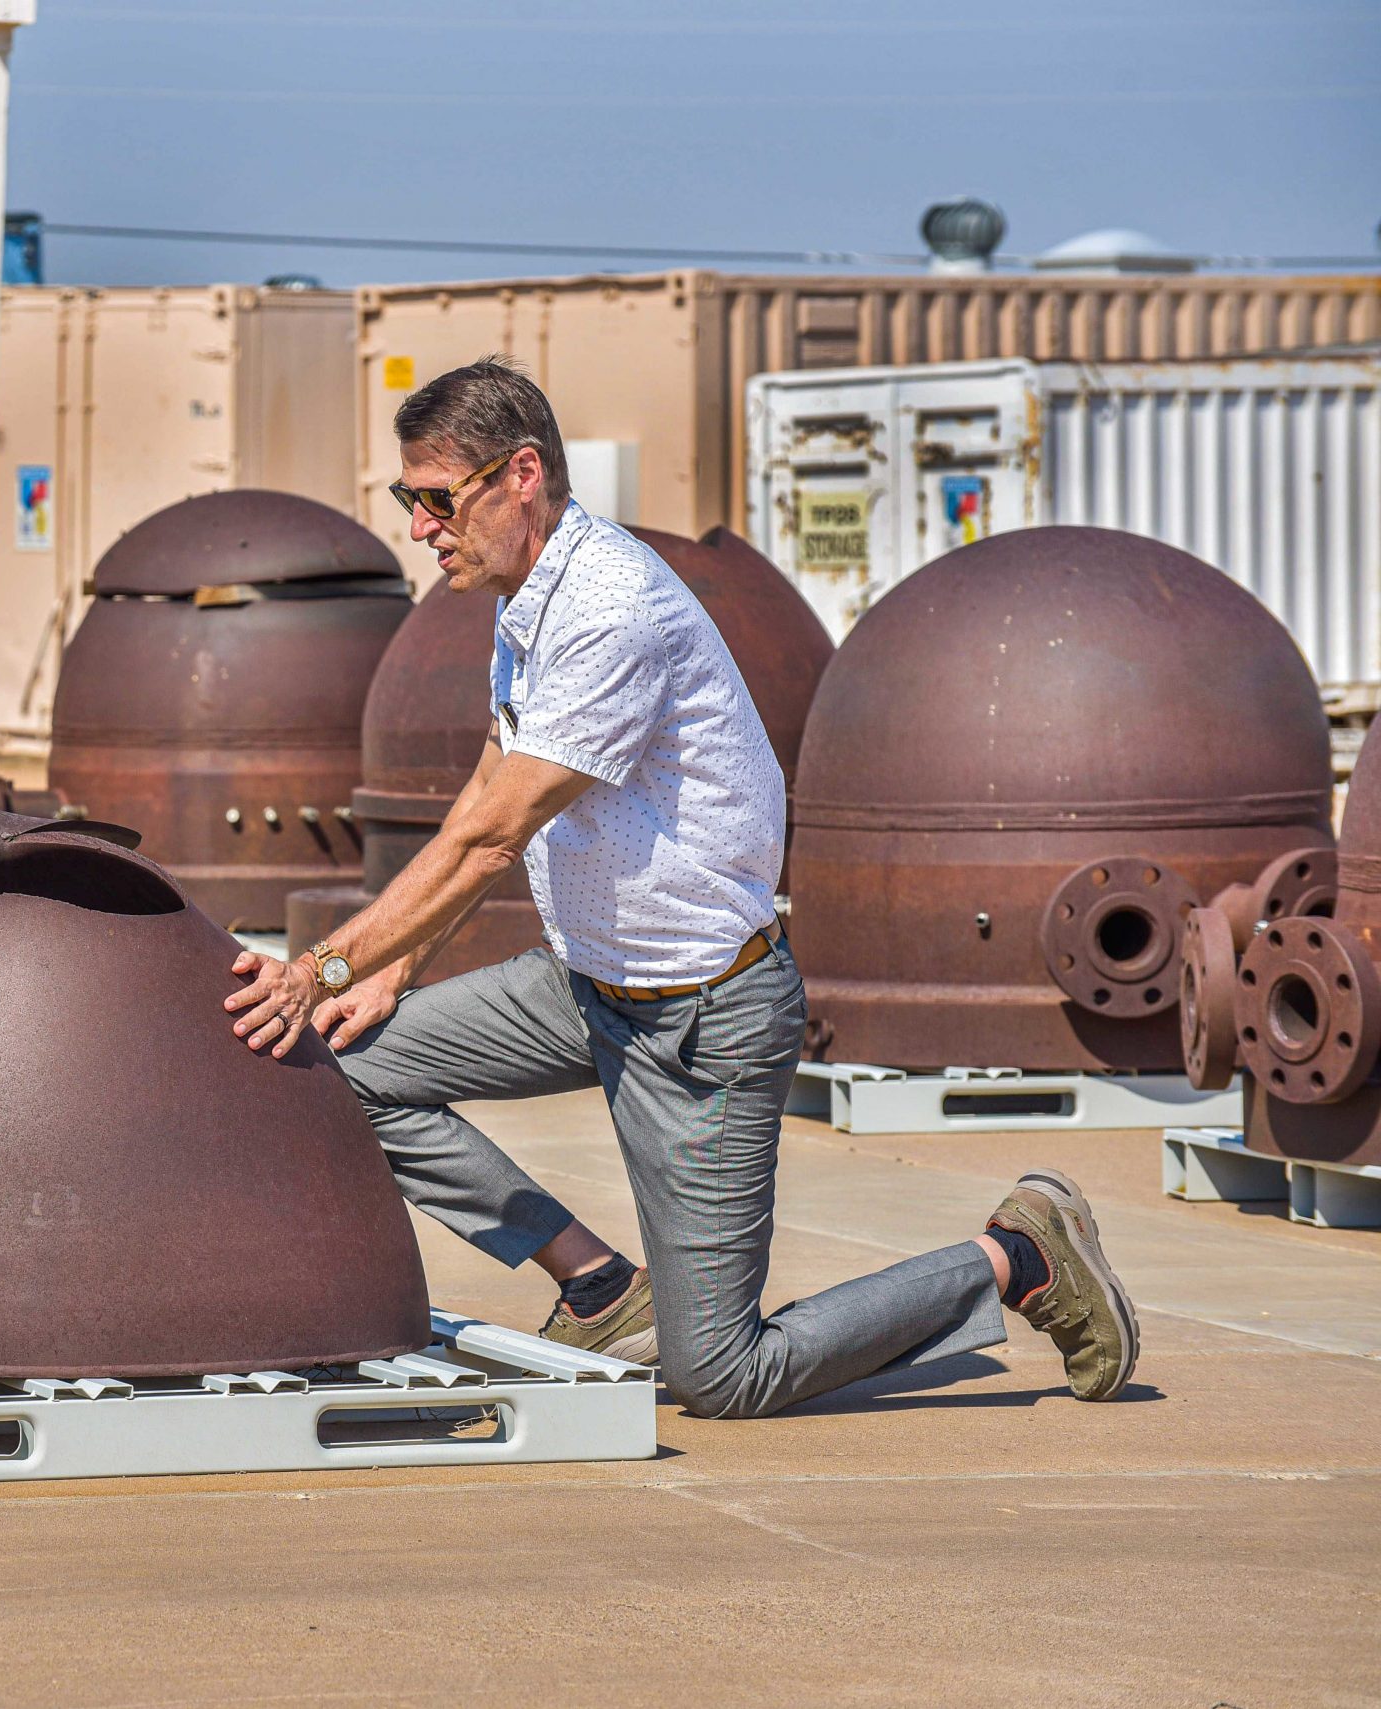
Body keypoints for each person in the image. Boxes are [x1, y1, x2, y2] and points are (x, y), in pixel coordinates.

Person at [224, 356, 1137, 1419]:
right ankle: (598, 1281)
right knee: (346, 1060)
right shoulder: (528, 599)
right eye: (406, 499)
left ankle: (1017, 1253)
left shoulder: (610, 606)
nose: (420, 525)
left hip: (703, 1021)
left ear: (521, 474)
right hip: (583, 989)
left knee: (722, 1373)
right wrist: (386, 975)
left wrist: (325, 965)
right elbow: (493, 774)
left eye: (436, 497)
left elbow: (490, 835)